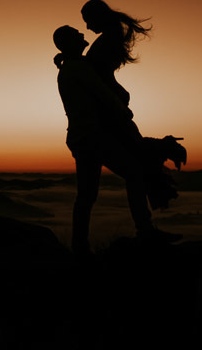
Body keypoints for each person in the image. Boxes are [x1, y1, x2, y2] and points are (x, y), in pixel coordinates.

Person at [53, 25, 181, 256]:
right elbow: (103, 94)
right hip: (92, 137)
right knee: (133, 173)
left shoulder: (71, 67)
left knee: (87, 195)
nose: (83, 35)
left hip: (82, 138)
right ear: (70, 43)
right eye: (77, 34)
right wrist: (124, 111)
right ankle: (145, 232)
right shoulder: (79, 68)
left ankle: (80, 246)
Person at [81, 0, 187, 208]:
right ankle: (151, 216)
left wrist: (72, 59)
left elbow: (96, 70)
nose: (87, 26)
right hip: (112, 100)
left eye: (87, 20)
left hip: (110, 103)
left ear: (97, 17)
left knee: (134, 154)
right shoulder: (110, 37)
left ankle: (165, 148)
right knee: (135, 157)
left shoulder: (107, 40)